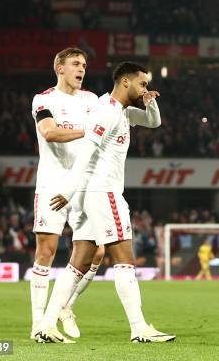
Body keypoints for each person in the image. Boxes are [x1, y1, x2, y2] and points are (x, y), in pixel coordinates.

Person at [34, 61, 175, 344]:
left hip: (92, 194)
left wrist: (151, 102)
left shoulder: (121, 110)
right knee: (124, 259)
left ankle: (46, 325)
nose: (145, 88)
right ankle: (139, 328)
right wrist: (71, 189)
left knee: (79, 263)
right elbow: (87, 150)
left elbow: (153, 122)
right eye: (142, 84)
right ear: (125, 82)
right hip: (103, 192)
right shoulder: (107, 111)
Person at [30, 47, 104, 340]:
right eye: (75, 63)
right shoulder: (43, 99)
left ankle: (65, 306)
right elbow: (49, 132)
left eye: (84, 64)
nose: (81, 69)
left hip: (84, 185)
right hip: (53, 184)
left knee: (96, 252)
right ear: (59, 68)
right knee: (46, 251)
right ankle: (38, 324)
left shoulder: (92, 100)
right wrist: (89, 131)